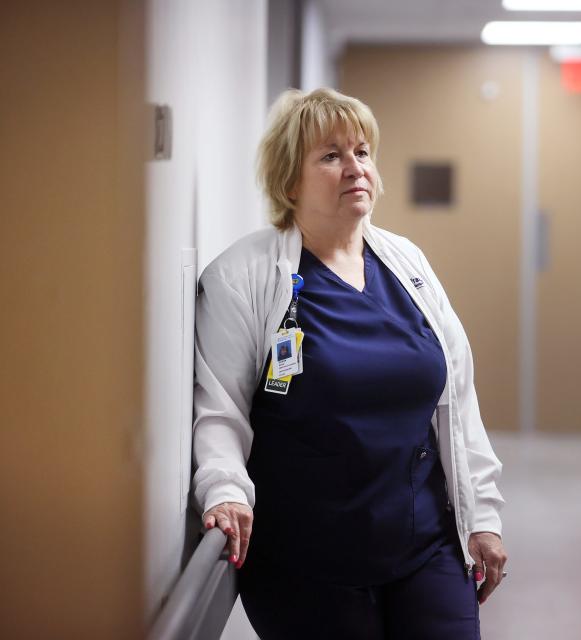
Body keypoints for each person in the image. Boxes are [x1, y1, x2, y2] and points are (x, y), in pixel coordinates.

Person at [192, 88, 507, 639]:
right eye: (330, 155)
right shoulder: (242, 277)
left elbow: (457, 400)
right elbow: (220, 411)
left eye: (362, 152)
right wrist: (223, 490)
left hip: (424, 543)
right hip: (306, 560)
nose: (354, 167)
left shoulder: (407, 264)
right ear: (290, 181)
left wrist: (483, 517)